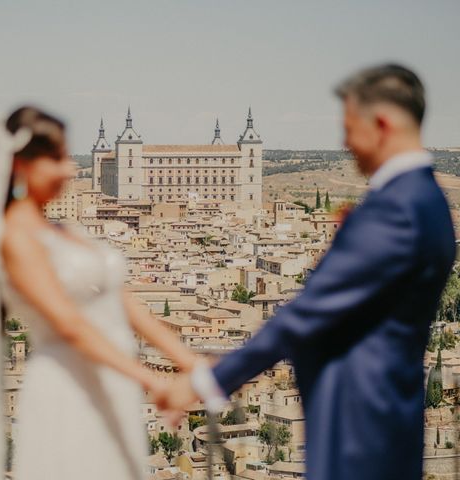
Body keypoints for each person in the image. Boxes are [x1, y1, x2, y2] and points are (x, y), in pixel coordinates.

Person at [158, 64, 457, 480]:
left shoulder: (394, 210)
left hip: (357, 425)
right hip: (388, 418)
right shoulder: (429, 201)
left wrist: (210, 381)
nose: (345, 143)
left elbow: (305, 314)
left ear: (383, 123)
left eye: (350, 127)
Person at [0, 106, 198, 480]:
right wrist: (152, 380)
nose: (70, 169)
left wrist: (187, 361)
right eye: (57, 158)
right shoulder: (16, 239)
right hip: (69, 387)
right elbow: (69, 325)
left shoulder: (66, 230)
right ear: (20, 166)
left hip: (112, 382)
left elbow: (124, 301)